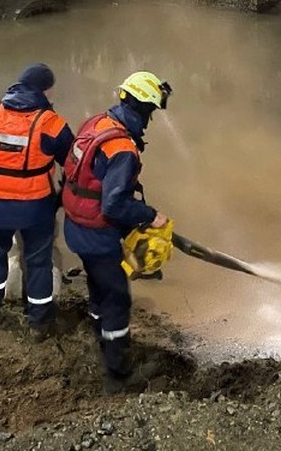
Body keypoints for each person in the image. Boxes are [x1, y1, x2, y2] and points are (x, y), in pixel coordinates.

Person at [61, 70, 172, 394]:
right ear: (144, 109)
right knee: (117, 299)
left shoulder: (96, 124)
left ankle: (100, 333)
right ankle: (118, 375)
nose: (152, 117)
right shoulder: (123, 149)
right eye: (152, 110)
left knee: (98, 285)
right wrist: (150, 216)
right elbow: (113, 205)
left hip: (75, 225)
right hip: (98, 233)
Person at [0, 63, 74, 338]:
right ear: (46, 90)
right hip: (35, 205)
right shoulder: (52, 123)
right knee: (39, 259)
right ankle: (39, 322)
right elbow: (73, 163)